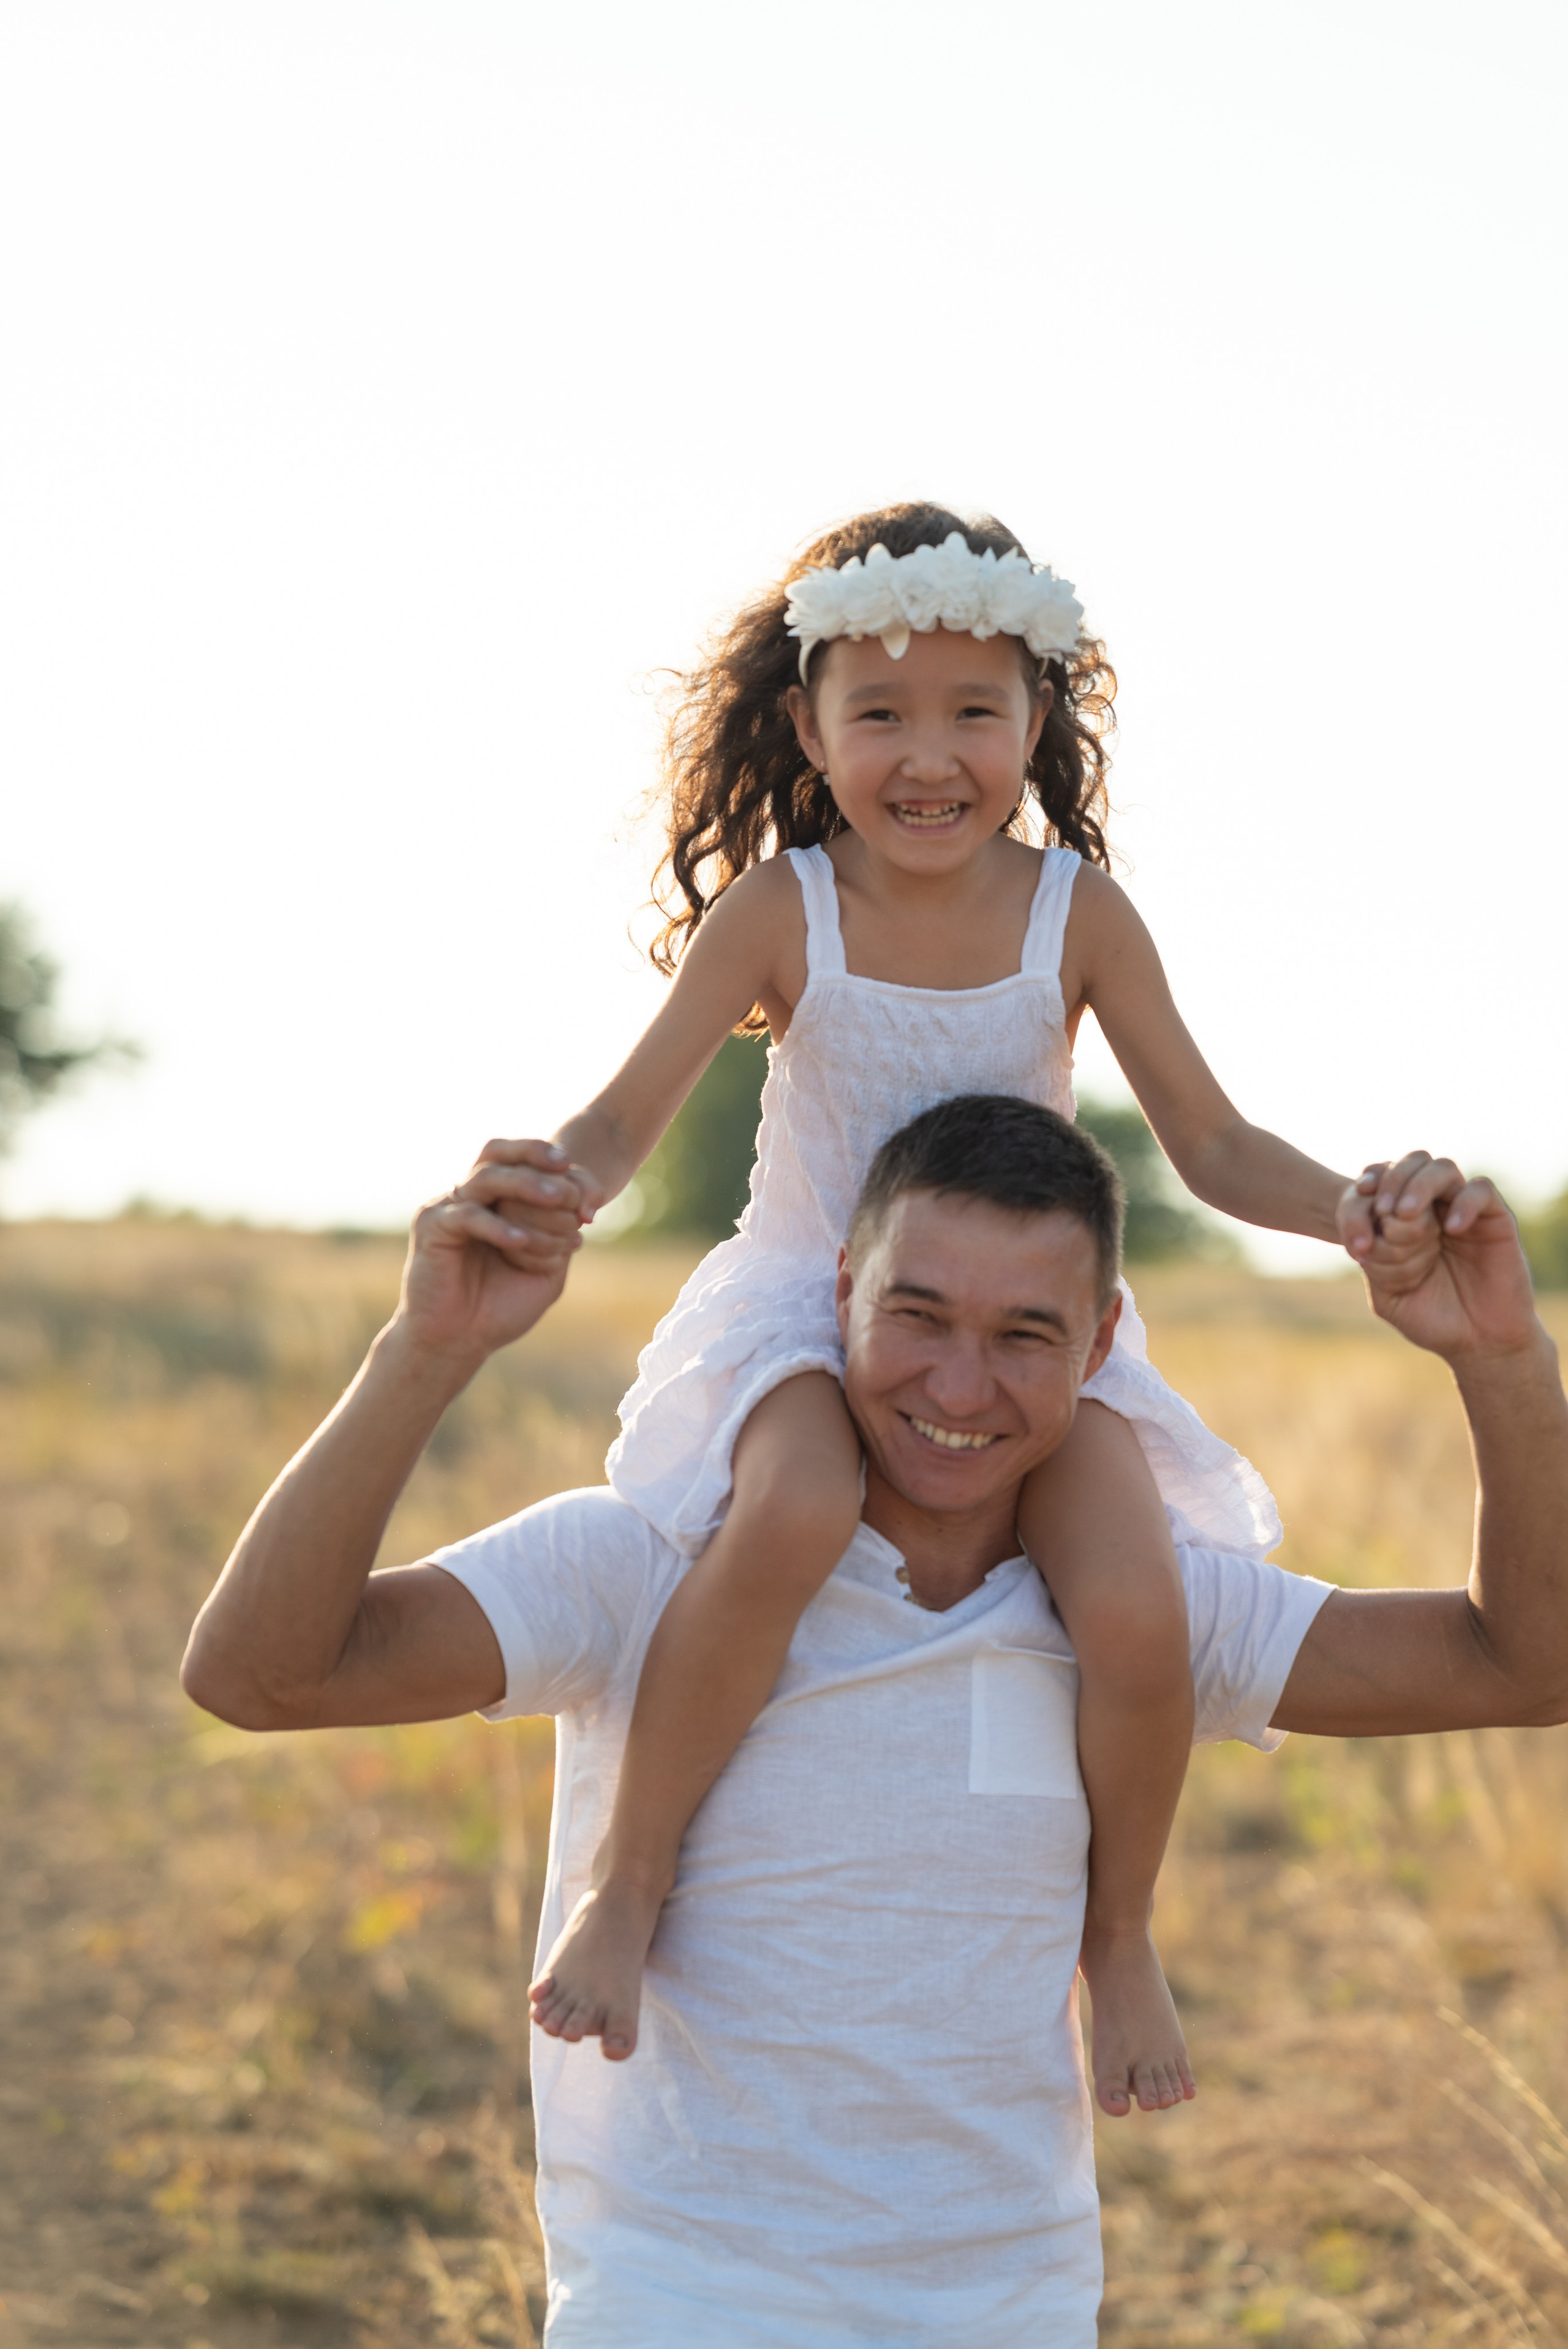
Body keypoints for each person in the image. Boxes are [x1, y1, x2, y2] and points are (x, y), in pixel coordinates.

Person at [183, 1099, 1568, 2349]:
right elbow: (259, 1676)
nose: (958, 1391)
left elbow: (1520, 1665)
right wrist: (424, 1349)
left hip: (1007, 2305)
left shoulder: (1137, 1619)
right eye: (917, 1315)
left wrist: (1499, 1359)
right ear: (838, 1292)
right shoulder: (652, 1565)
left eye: (1025, 1335)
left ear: (1098, 1344)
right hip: (682, 2299)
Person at [492, 502, 1371, 2112]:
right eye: (881, 712)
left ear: (1039, 723)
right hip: (811, 1312)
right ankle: (628, 1884)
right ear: (810, 728)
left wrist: (1357, 1214)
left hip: (1015, 1326)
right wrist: (546, 1181)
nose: (931, 752)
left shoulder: (1077, 916)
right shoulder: (785, 909)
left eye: (976, 710)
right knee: (798, 1506)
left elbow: (1219, 1141)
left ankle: (1115, 1934)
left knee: (1131, 1600)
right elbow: (624, 1120)